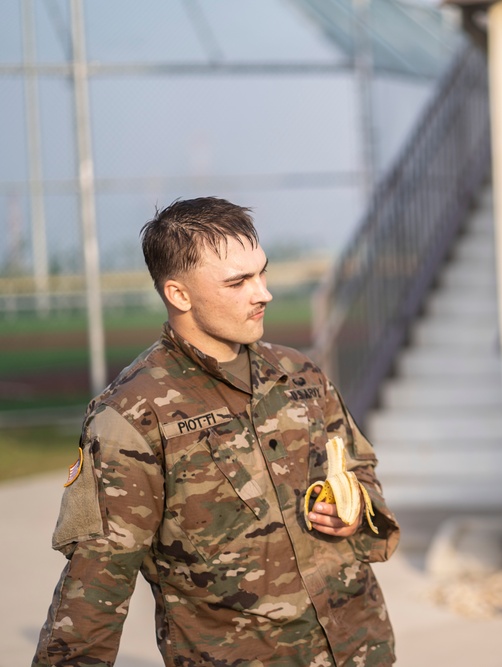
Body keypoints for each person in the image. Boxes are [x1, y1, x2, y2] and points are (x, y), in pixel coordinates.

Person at [33, 197, 399, 666]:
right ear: (179, 295)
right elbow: (94, 591)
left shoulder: (301, 374)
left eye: (262, 273)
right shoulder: (130, 417)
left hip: (361, 648)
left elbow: (358, 467)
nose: (263, 292)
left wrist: (356, 509)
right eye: (238, 282)